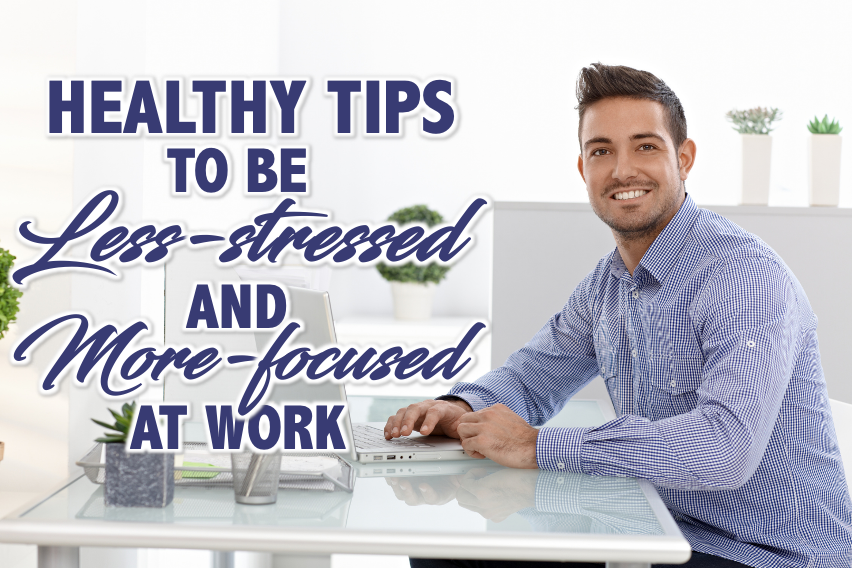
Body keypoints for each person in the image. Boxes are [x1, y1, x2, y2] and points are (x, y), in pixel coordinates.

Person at [384, 63, 852, 568]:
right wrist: (460, 407)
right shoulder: (608, 285)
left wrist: (539, 445)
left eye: (645, 146)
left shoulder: (744, 277)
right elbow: (535, 373)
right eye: (601, 150)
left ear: (685, 158)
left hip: (761, 551)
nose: (622, 169)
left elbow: (725, 450)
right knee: (444, 553)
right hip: (651, 523)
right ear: (584, 170)